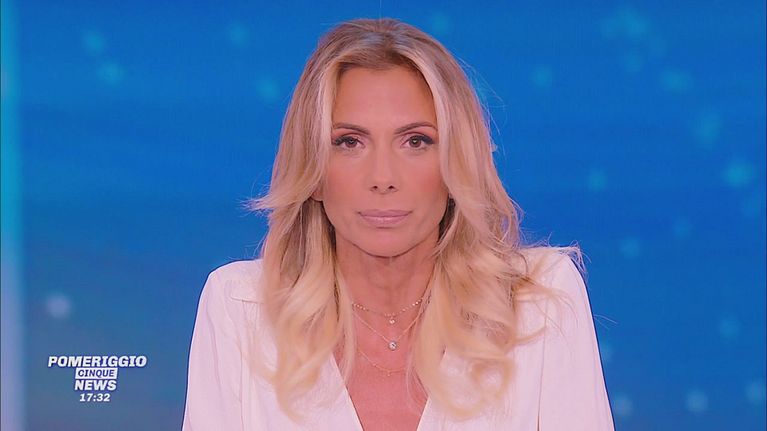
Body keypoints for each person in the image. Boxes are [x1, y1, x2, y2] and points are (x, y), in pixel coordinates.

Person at [182, 17, 614, 431]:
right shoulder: (241, 308)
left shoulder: (541, 303)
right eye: (349, 142)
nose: (383, 178)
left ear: (455, 164)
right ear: (313, 172)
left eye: (416, 141)